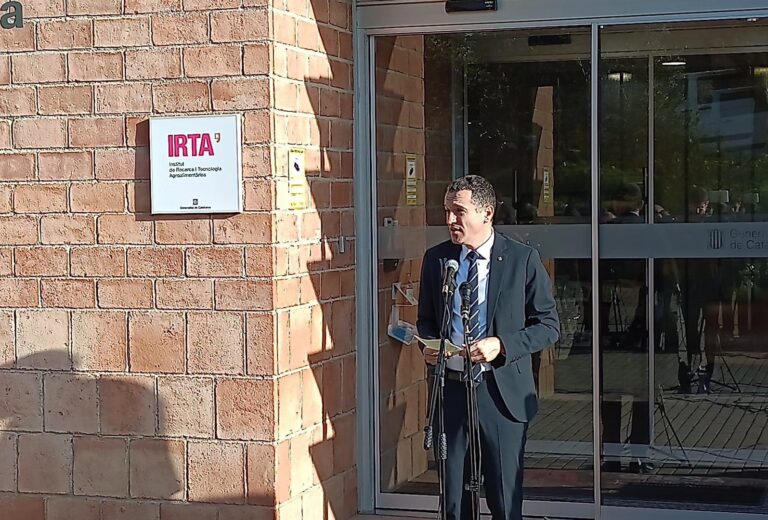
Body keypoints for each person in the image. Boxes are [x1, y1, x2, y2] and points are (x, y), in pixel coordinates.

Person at [417, 175, 560, 520]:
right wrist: (429, 347)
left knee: (504, 499)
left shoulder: (521, 259)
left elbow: (549, 326)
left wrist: (503, 344)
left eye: (459, 211)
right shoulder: (437, 259)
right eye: (447, 211)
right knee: (454, 501)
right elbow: (426, 320)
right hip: (451, 391)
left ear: (487, 212)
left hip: (500, 393)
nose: (450, 220)